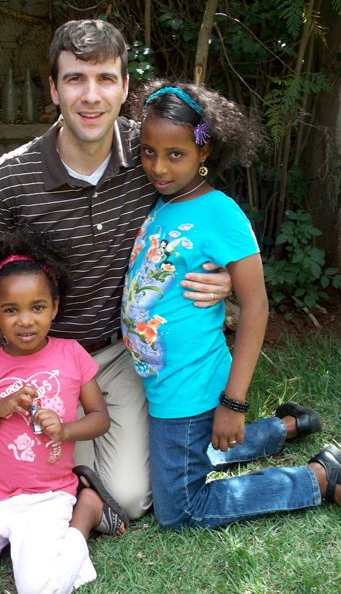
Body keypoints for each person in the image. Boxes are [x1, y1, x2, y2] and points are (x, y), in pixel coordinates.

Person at [0, 19, 233, 521]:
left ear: (126, 87)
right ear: (53, 88)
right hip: (41, 359)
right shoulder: (11, 176)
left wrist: (222, 274)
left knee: (133, 499)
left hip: (119, 355)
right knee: (43, 468)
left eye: (105, 78)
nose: (91, 96)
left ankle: (245, 436)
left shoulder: (151, 152)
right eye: (74, 79)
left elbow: (206, 215)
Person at [121, 79, 341, 530]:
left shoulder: (220, 213)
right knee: (199, 447)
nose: (158, 167)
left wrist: (233, 403)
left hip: (191, 388)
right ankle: (285, 428)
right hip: (164, 385)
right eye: (147, 151)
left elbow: (256, 306)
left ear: (205, 152)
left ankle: (318, 478)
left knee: (180, 509)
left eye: (175, 154)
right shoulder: (163, 202)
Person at [0, 226, 128, 594]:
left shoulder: (72, 355)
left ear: (55, 307)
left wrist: (64, 430)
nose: (26, 320)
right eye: (10, 310)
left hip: (48, 497)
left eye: (37, 307)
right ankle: (6, 539)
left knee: (39, 590)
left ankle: (86, 512)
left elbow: (100, 419)